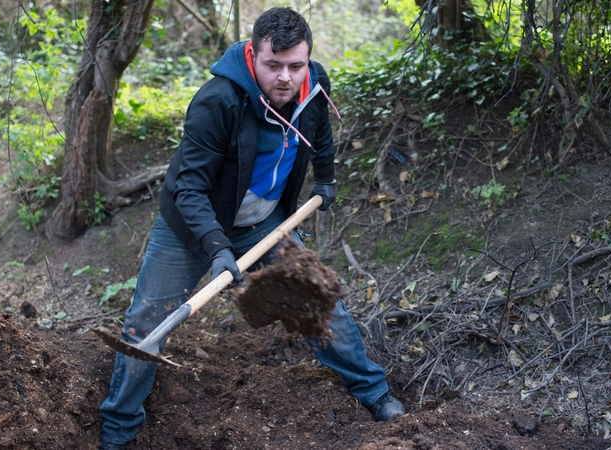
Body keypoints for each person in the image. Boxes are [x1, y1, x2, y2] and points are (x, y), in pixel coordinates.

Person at [97, 8, 404, 449]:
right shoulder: (217, 101)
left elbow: (318, 132)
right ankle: (118, 429)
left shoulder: (311, 85)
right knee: (147, 323)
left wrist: (326, 177)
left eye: (295, 66)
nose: (285, 77)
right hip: (190, 226)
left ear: (308, 60)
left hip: (262, 224)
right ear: (252, 54)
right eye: (273, 65)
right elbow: (189, 187)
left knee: (318, 300)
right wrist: (216, 245)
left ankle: (374, 393)